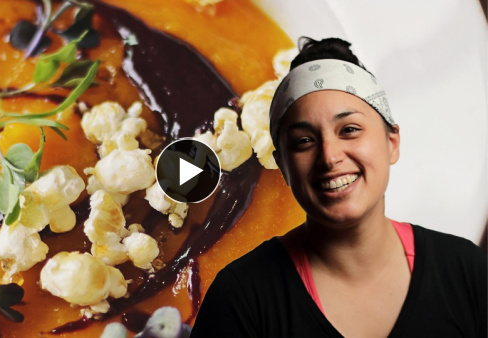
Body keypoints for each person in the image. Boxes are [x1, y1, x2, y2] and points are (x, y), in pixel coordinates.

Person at [190, 37, 487, 337]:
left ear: (392, 142)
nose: (330, 157)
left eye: (349, 130)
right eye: (304, 140)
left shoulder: (466, 272)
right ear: (283, 166)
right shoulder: (240, 299)